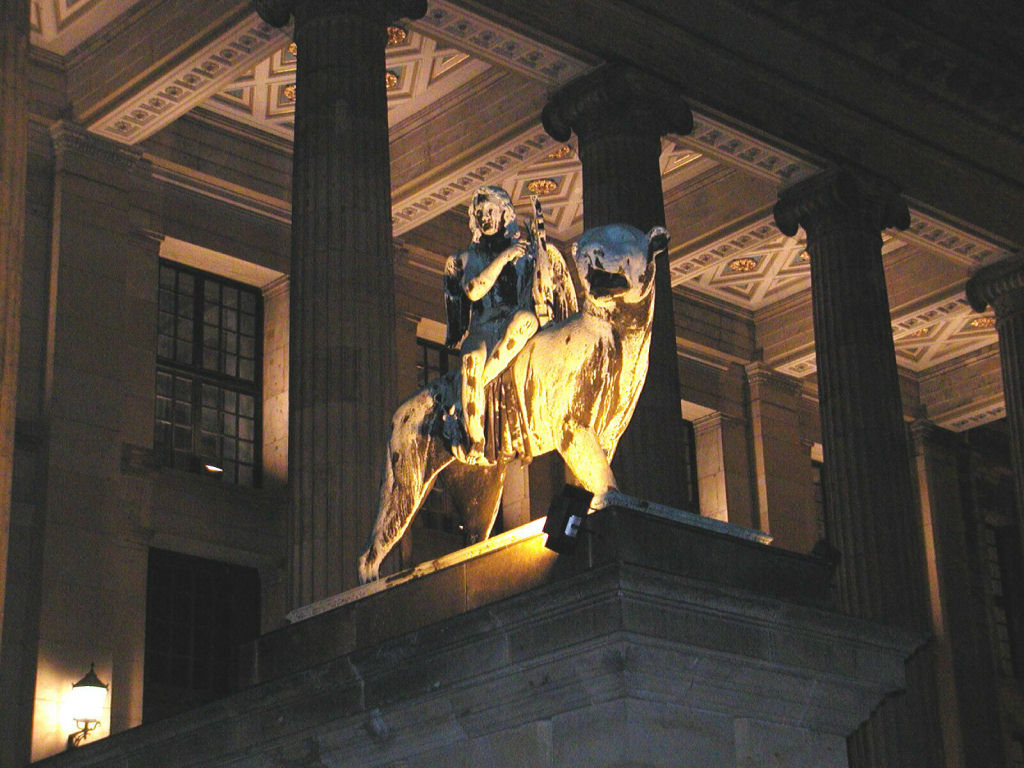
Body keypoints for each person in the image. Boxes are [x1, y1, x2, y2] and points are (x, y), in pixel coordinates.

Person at [443, 185, 576, 464]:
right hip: (483, 327)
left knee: (526, 320)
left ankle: (478, 387)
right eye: (479, 212)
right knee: (470, 358)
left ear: (505, 213)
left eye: (490, 210)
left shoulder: (524, 255)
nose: (484, 217)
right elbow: (474, 290)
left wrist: (539, 258)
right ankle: (476, 439)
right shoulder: (469, 258)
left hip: (512, 324)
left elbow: (536, 296)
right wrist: (505, 257)